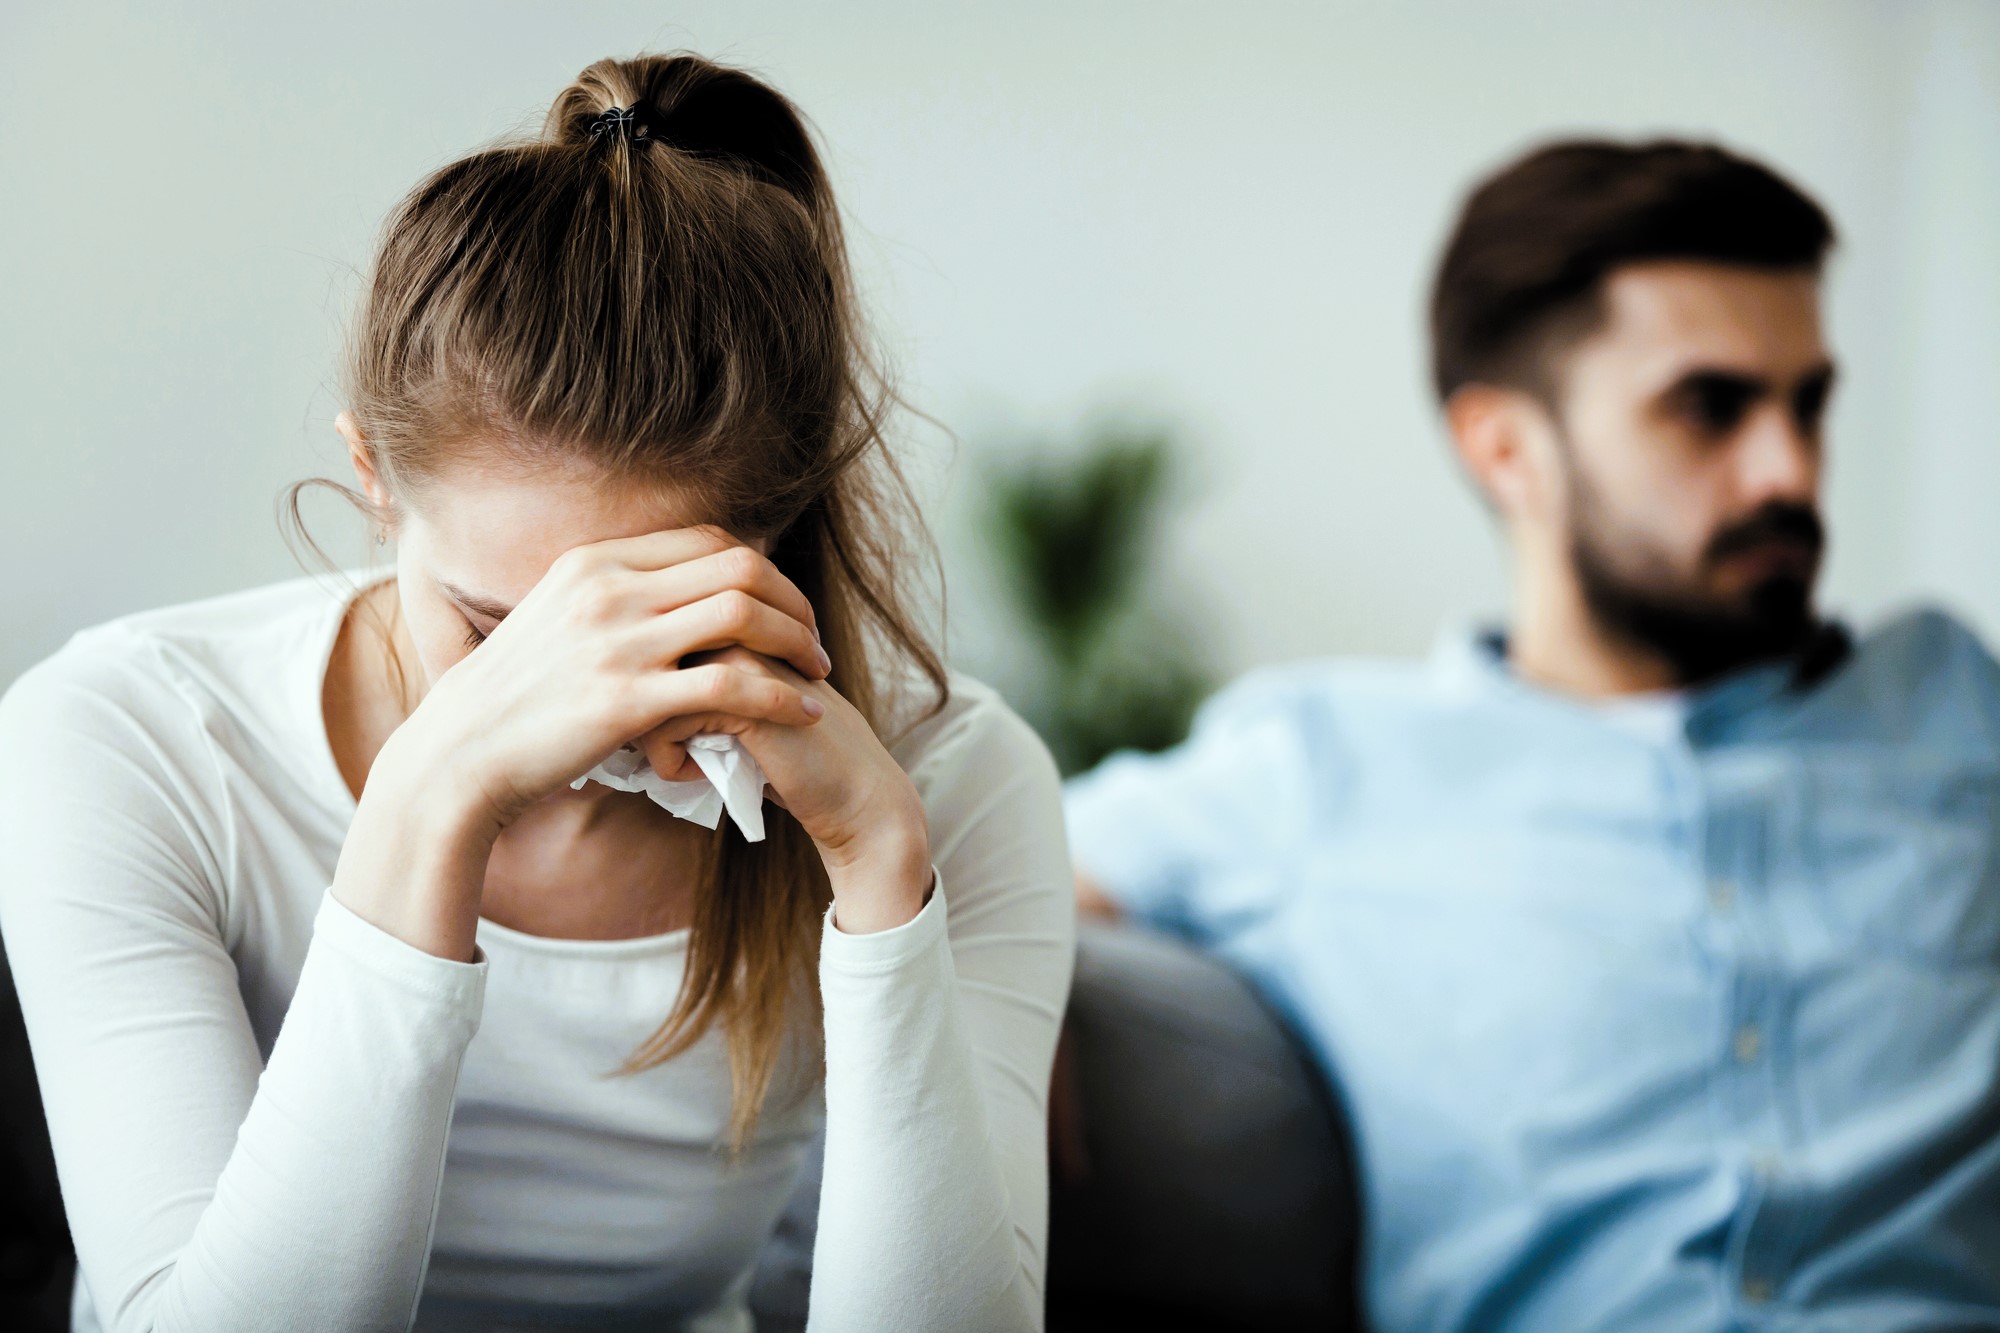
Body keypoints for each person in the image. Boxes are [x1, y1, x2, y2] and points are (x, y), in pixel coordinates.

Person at [0, 53, 1072, 1333]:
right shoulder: (128, 735)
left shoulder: (952, 782)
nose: (568, 702)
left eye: (638, 623)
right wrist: (429, 799)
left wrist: (883, 874)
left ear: (770, 542)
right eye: (495, 627)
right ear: (370, 476)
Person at [1065, 139, 2000, 1329]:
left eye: (1806, 404)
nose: (1788, 470)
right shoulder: (1318, 763)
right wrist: (997, 981)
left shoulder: (1951, 702)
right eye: (1709, 409)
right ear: (1505, 448)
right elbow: (989, 863)